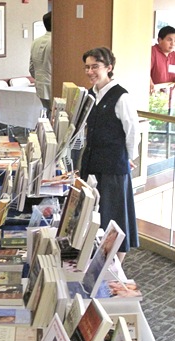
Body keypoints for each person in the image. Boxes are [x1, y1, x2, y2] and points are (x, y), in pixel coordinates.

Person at [80, 47, 140, 264]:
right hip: (93, 163)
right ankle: (98, 261)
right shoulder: (91, 94)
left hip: (113, 166)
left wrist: (129, 157)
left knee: (114, 216)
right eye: (87, 67)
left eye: (95, 66)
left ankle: (115, 266)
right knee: (95, 214)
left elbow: (132, 131)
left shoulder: (121, 96)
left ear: (109, 68)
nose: (90, 71)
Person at [29, 11, 52, 113]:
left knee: (48, 113)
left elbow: (31, 68)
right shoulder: (57, 42)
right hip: (53, 85)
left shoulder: (35, 42)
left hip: (40, 85)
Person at [150, 25, 175, 94]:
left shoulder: (174, 55)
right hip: (154, 96)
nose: (173, 44)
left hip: (170, 96)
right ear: (160, 40)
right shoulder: (152, 51)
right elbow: (144, 72)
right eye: (169, 40)